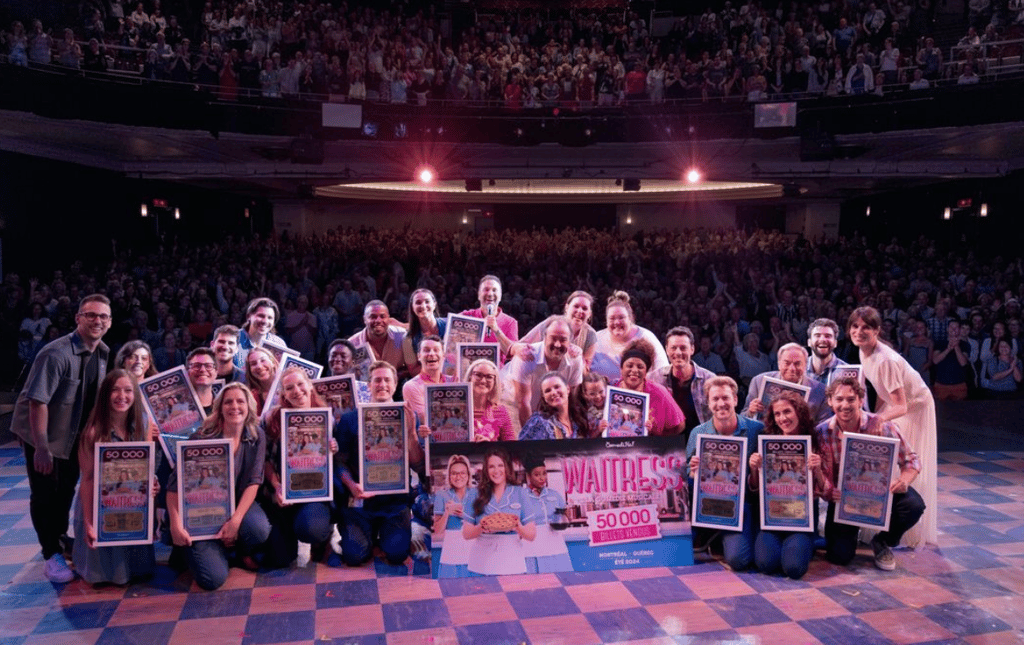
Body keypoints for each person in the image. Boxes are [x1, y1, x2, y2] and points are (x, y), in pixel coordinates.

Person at [13, 294, 112, 583]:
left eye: (102, 316)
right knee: (44, 494)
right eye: (90, 315)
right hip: (42, 436)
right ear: (78, 318)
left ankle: (57, 537)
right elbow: (37, 402)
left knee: (65, 490)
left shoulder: (103, 352)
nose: (97, 321)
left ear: (109, 322)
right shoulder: (55, 353)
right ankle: (49, 554)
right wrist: (41, 448)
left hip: (72, 436)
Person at [167, 383, 271, 589]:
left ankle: (233, 547)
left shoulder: (257, 436)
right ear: (220, 407)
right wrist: (175, 525)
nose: (235, 406)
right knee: (211, 580)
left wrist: (235, 521)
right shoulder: (200, 437)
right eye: (228, 402)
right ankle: (199, 549)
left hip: (236, 504)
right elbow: (174, 486)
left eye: (240, 401)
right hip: (201, 511)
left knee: (258, 530)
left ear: (249, 406)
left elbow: (254, 481)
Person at [848, 306, 937, 546]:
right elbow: (882, 392)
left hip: (916, 408)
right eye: (855, 326)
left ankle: (897, 528)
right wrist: (876, 414)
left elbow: (901, 406)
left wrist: (877, 419)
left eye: (866, 327)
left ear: (876, 330)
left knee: (899, 465)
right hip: (901, 405)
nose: (859, 331)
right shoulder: (863, 352)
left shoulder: (885, 359)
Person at [816, 377, 926, 569]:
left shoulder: (882, 426)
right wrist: (830, 491)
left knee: (913, 505)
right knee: (839, 557)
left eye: (851, 399)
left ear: (860, 400)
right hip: (844, 499)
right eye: (839, 399)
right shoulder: (822, 432)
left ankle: (883, 541)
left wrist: (904, 480)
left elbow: (911, 460)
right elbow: (819, 474)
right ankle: (849, 534)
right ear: (830, 402)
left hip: (879, 493)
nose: (845, 405)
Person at [334, 361, 424, 566]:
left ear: (395, 385)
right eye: (377, 380)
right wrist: (352, 486)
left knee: (397, 555)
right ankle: (362, 533)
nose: (382, 384)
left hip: (395, 502)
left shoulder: (410, 417)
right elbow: (339, 462)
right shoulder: (349, 420)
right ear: (368, 385)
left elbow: (418, 466)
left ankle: (382, 534)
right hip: (360, 502)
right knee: (354, 556)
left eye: (387, 380)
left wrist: (411, 434)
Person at [74, 370, 156, 585]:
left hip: (132, 502)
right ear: (105, 395)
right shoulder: (93, 433)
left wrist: (152, 485)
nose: (122, 396)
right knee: (106, 577)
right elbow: (88, 480)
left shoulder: (144, 424)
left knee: (141, 574)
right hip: (98, 503)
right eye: (115, 390)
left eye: (128, 390)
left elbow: (146, 470)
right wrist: (90, 523)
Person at [260, 367, 337, 568]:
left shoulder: (327, 417)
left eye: (300, 384)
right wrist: (277, 486)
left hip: (314, 492)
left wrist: (332, 448)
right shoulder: (271, 419)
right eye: (289, 387)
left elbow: (333, 462)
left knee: (310, 529)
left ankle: (322, 534)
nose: (297, 390)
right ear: (283, 394)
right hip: (282, 493)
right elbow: (266, 460)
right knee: (280, 559)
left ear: (310, 385)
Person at [747, 392, 829, 579]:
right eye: (777, 414)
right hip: (772, 518)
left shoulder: (814, 441)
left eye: (787, 412)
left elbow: (825, 491)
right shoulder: (766, 441)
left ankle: (806, 543)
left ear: (799, 412)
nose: (783, 418)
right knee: (766, 565)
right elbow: (755, 488)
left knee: (794, 569)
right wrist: (753, 468)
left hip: (801, 521)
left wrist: (817, 470)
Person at [686, 376, 762, 570]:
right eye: (715, 399)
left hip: (740, 506)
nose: (721, 404)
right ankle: (711, 534)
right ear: (708, 402)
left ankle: (725, 536)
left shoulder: (757, 430)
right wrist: (693, 471)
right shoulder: (698, 433)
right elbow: (687, 477)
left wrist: (756, 468)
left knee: (739, 560)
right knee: (677, 548)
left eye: (726, 398)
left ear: (735, 400)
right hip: (707, 504)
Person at [461, 446, 536, 575]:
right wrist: (481, 527)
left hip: (512, 560)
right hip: (481, 561)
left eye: (500, 465)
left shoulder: (520, 493)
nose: (496, 471)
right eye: (491, 467)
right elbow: (466, 534)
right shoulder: (474, 493)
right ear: (486, 470)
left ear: (507, 468)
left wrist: (517, 527)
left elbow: (531, 535)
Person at [506, 317, 584, 426]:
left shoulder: (575, 358)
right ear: (544, 337)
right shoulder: (526, 356)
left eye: (563, 340)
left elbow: (573, 399)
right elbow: (523, 403)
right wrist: (533, 437)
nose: (557, 344)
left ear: (570, 341)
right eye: (553, 338)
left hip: (549, 413)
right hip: (514, 410)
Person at [651, 326, 715, 441]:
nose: (678, 352)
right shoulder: (654, 378)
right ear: (666, 350)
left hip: (700, 445)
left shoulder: (710, 380)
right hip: (665, 446)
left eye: (683, 348)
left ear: (692, 349)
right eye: (673, 348)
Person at [743, 344, 831, 424]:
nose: (792, 368)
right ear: (779, 364)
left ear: (805, 365)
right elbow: (743, 418)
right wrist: (750, 412)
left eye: (797, 364)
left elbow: (824, 426)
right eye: (787, 363)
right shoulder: (758, 381)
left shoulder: (821, 391)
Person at [592, 291, 669, 381]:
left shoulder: (647, 337)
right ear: (606, 321)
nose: (617, 322)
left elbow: (663, 372)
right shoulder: (596, 339)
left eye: (621, 317)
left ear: (630, 318)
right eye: (612, 318)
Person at [613, 339, 685, 435]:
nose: (634, 370)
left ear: (646, 371)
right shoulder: (610, 388)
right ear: (621, 368)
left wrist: (657, 439)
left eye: (640, 367)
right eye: (629, 366)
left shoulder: (659, 392)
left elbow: (679, 425)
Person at [513, 291, 598, 368]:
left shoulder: (590, 335)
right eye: (576, 306)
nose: (580, 311)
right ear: (567, 308)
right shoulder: (551, 323)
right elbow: (521, 345)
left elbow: (586, 371)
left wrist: (577, 358)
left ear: (589, 314)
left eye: (584, 308)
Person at [522, 455, 572, 573]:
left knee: (561, 580)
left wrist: (565, 519)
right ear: (528, 476)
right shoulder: (521, 496)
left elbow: (566, 517)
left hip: (555, 544)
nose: (542, 478)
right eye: (537, 474)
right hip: (531, 546)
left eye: (544, 473)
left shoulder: (555, 495)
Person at [459, 275, 519, 363]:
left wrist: (496, 330)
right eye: (486, 290)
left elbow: (513, 354)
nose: (490, 294)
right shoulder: (465, 316)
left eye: (494, 290)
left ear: (500, 296)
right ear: (479, 295)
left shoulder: (510, 323)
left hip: (496, 373)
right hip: (469, 371)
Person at [433, 455, 472, 577]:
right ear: (449, 476)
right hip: (451, 550)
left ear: (468, 475)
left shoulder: (477, 494)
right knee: (449, 589)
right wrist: (447, 513)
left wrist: (466, 516)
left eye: (462, 473)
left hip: (473, 549)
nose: (458, 477)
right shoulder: (442, 495)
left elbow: (485, 524)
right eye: (454, 473)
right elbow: (437, 530)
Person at [519, 373, 587, 440]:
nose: (553, 392)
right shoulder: (539, 422)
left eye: (557, 387)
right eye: (547, 391)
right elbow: (523, 448)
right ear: (544, 397)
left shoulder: (578, 421)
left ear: (568, 389)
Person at [403, 335, 453, 427]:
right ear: (419, 356)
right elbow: (425, 420)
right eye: (426, 350)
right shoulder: (411, 386)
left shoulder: (454, 381)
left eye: (436, 350)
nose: (431, 354)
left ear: (443, 356)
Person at [348, 300, 407, 376]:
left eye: (382, 316)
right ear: (364, 319)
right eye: (373, 317)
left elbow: (413, 368)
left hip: (398, 384)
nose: (378, 321)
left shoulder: (402, 336)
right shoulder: (351, 345)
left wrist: (393, 377)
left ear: (388, 318)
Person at [401, 288, 448, 377]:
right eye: (418, 302)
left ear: (434, 304)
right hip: (427, 384)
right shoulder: (408, 338)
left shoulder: (450, 325)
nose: (423, 306)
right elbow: (413, 371)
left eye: (427, 301)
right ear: (412, 307)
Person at [465, 359, 515, 441]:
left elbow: (511, 447)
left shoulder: (501, 411)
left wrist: (490, 446)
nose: (483, 381)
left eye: (489, 377)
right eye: (478, 375)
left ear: (495, 382)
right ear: (470, 377)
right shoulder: (458, 409)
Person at [234, 297, 285, 370]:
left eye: (270, 318)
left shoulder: (279, 344)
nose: (265, 321)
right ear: (249, 316)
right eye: (261, 316)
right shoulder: (233, 338)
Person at [931, 319, 970, 401]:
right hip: (941, 384)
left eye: (956, 327)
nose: (953, 329)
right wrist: (948, 349)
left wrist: (956, 346)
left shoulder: (964, 344)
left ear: (959, 330)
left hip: (959, 384)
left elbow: (963, 363)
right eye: (951, 327)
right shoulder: (939, 343)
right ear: (947, 329)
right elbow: (935, 360)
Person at [805, 319, 847, 385]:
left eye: (828, 336)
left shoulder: (848, 372)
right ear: (809, 342)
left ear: (835, 343)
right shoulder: (797, 369)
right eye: (817, 335)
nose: (822, 340)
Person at [244, 346, 279, 415]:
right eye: (253, 364)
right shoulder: (250, 397)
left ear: (273, 363)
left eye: (263, 360)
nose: (259, 366)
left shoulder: (288, 387)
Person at [572, 372, 608, 438]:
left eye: (601, 392)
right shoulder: (583, 412)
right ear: (585, 394)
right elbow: (585, 438)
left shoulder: (612, 405)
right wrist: (598, 430)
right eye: (592, 394)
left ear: (606, 389)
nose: (597, 396)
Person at [186, 348, 218, 414]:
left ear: (216, 372)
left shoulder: (224, 406)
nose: (202, 370)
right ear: (187, 372)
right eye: (196, 366)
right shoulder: (175, 408)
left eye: (208, 366)